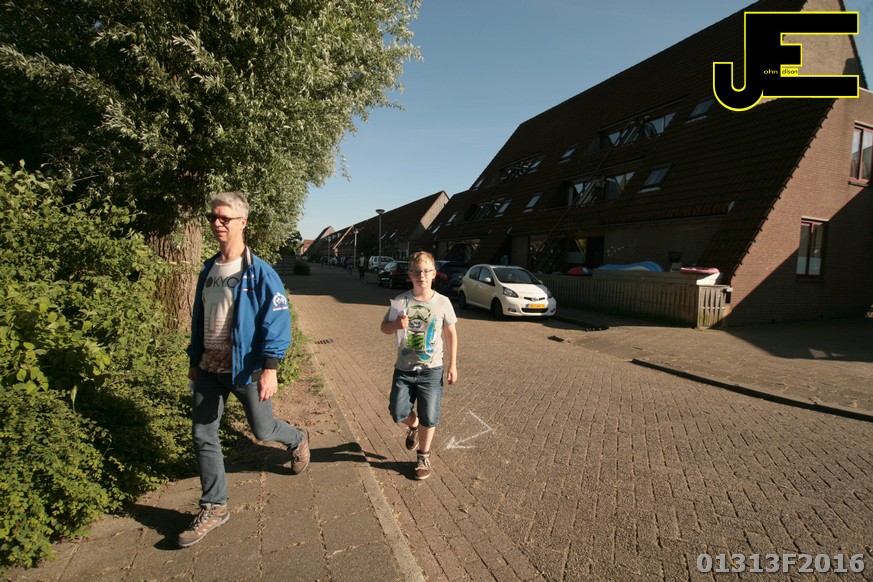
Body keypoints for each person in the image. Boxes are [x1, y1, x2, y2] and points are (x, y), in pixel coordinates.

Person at [179, 191, 310, 548]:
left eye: (224, 217)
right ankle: (214, 506)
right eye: (213, 217)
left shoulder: (259, 271)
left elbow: (277, 320)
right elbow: (199, 318)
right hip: (209, 366)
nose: (217, 223)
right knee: (203, 434)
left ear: (243, 222)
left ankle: (298, 439)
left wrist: (270, 368)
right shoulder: (208, 268)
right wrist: (194, 359)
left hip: (246, 367)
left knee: (262, 429)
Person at [380, 251, 458, 480]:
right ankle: (413, 425)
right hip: (404, 369)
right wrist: (396, 324)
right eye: (416, 271)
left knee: (429, 416)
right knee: (397, 411)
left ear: (434, 274)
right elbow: (384, 328)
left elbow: (451, 334)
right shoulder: (401, 301)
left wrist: (453, 365)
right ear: (410, 274)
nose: (421, 275)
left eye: (426, 271)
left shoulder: (443, 302)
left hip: (432, 370)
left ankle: (423, 456)